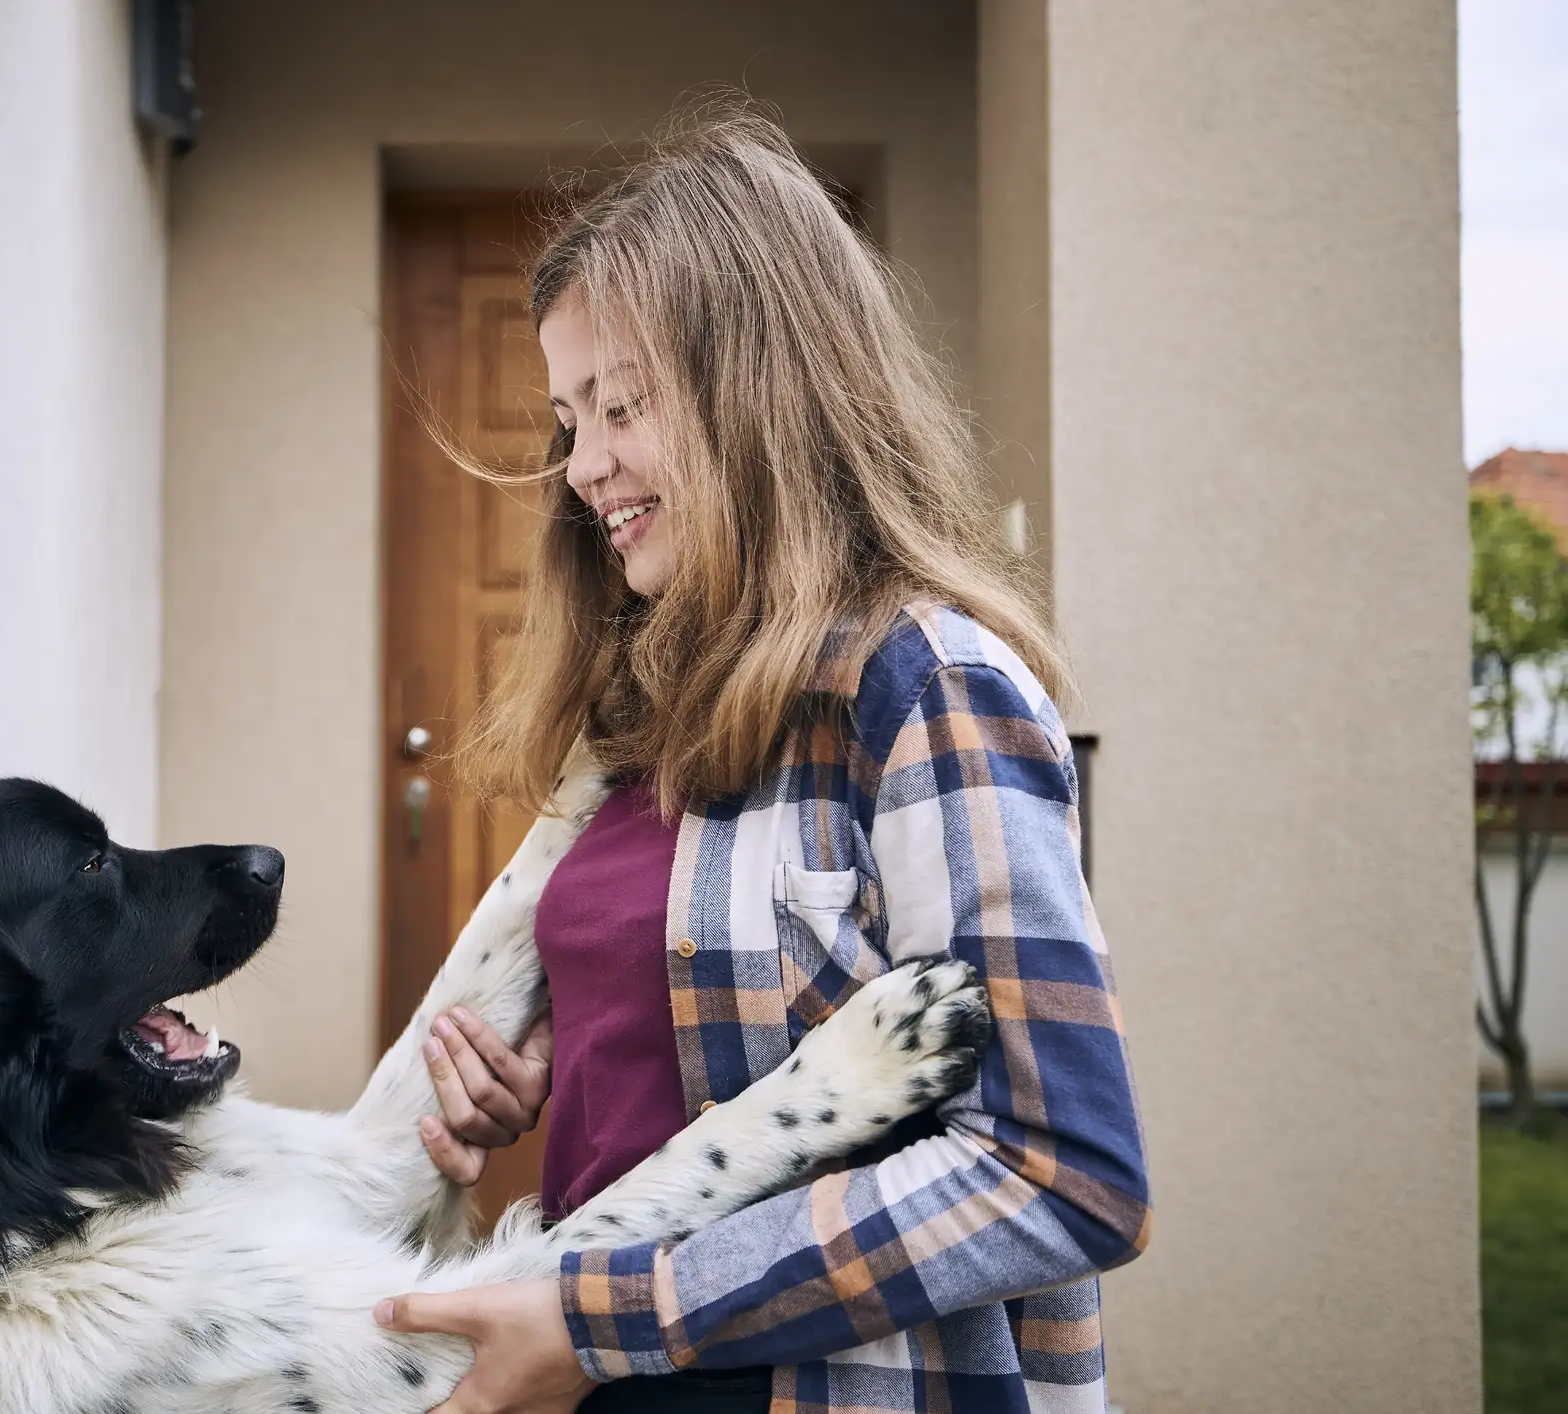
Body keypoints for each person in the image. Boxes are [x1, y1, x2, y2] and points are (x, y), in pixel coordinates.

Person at [372, 103, 1150, 1414]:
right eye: (569, 418)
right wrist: (557, 1059)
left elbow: (1060, 1163)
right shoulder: (648, 713)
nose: (582, 466)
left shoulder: (927, 687)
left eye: (621, 406)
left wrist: (617, 1316)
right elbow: (704, 1023)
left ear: (763, 392)